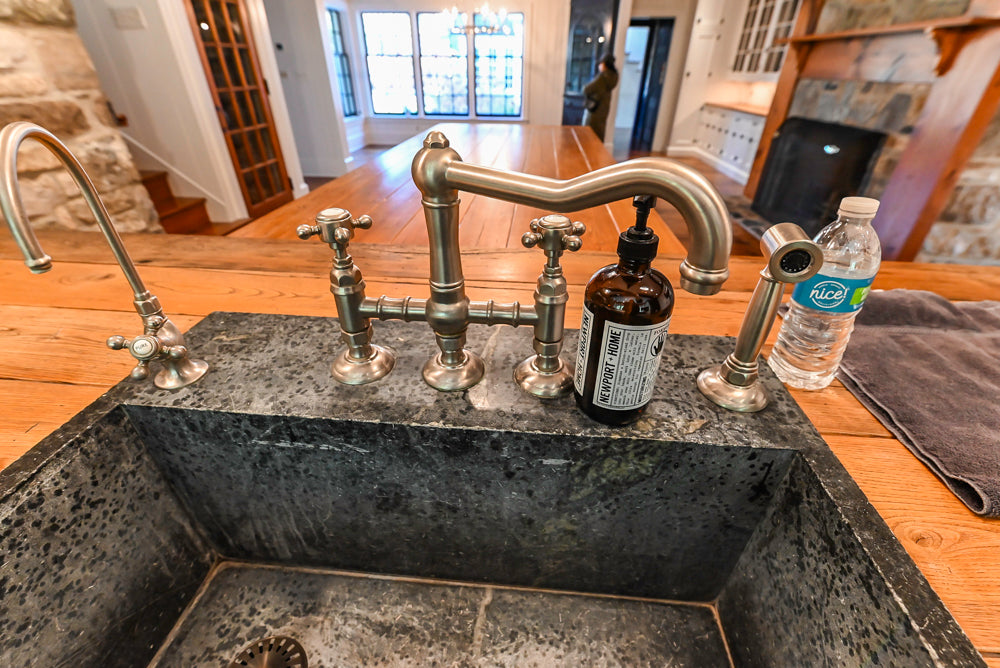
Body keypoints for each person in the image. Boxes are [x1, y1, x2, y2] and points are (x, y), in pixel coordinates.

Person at [582, 54, 619, 142]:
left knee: (589, 136)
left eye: (601, 63)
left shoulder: (603, 77)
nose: (599, 65)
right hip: (604, 109)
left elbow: (587, 89)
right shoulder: (613, 77)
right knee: (598, 137)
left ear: (605, 64)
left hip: (595, 109)